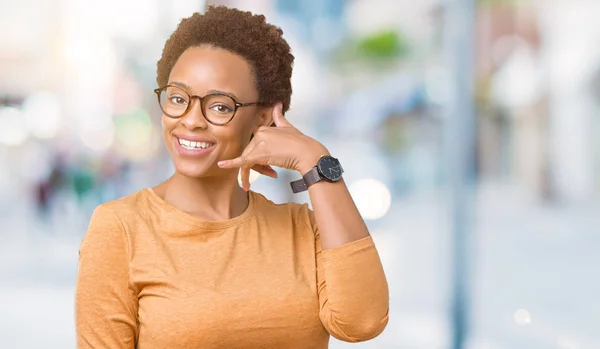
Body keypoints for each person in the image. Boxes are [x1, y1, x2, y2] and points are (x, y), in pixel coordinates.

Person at [75, 6, 389, 348]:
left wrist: (314, 159)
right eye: (178, 98)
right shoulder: (120, 227)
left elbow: (363, 321)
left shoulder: (306, 229)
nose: (191, 120)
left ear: (263, 119)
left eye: (220, 106)